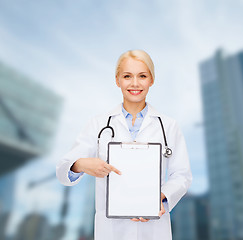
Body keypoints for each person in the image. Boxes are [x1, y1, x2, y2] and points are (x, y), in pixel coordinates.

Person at [56, 49, 192, 240]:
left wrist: (161, 197)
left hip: (153, 230)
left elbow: (182, 176)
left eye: (142, 76)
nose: (135, 83)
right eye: (127, 76)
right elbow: (63, 169)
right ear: (117, 80)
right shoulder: (99, 124)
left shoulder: (168, 126)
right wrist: (81, 164)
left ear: (151, 80)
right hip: (111, 231)